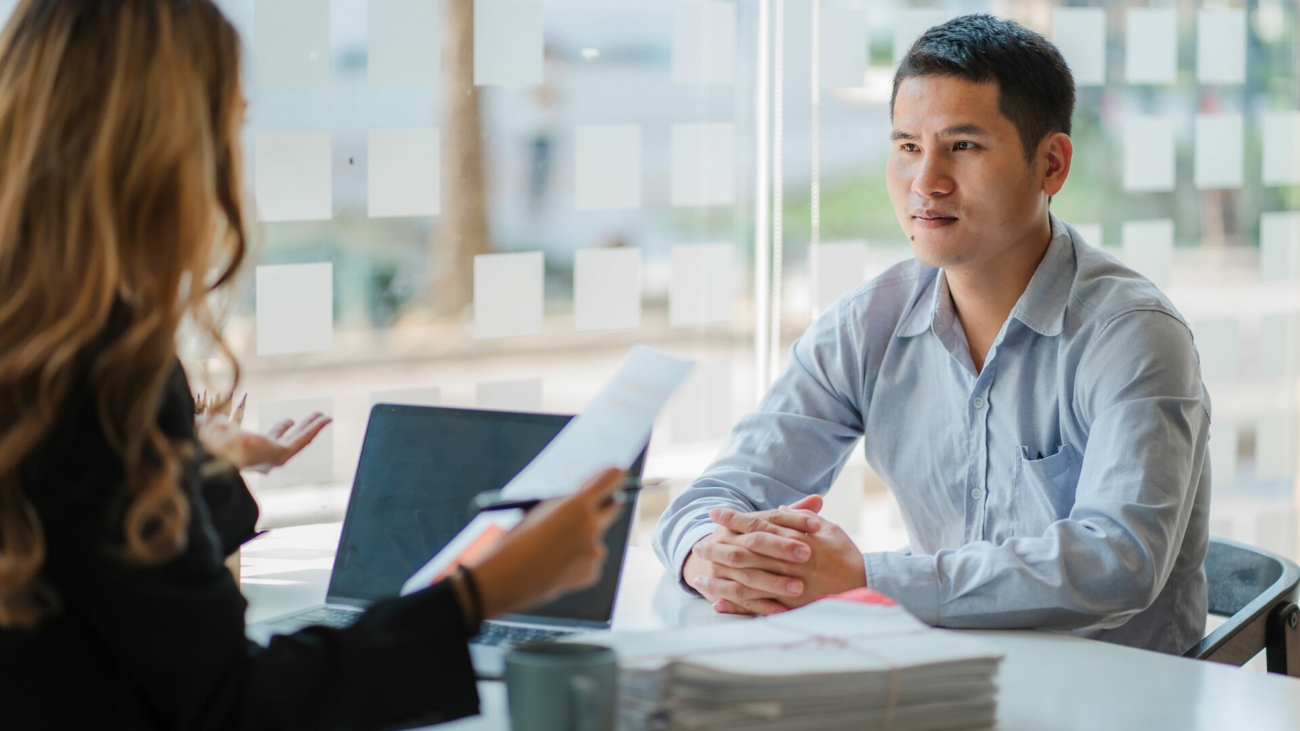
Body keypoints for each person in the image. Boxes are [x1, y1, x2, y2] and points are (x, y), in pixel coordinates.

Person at [0, 2, 625, 729]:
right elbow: (229, 700)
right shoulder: (102, 371)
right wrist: (479, 592)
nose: (232, 162)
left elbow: (98, 576)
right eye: (228, 125)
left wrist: (189, 461)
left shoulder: (42, 350)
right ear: (159, 146)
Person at [654, 14, 1211, 656]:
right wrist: (711, 553)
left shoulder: (1131, 334)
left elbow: (1118, 560)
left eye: (963, 147)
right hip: (941, 685)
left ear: (1051, 164)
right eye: (908, 147)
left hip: (1118, 700)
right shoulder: (870, 323)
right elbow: (720, 493)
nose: (926, 183)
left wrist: (864, 580)